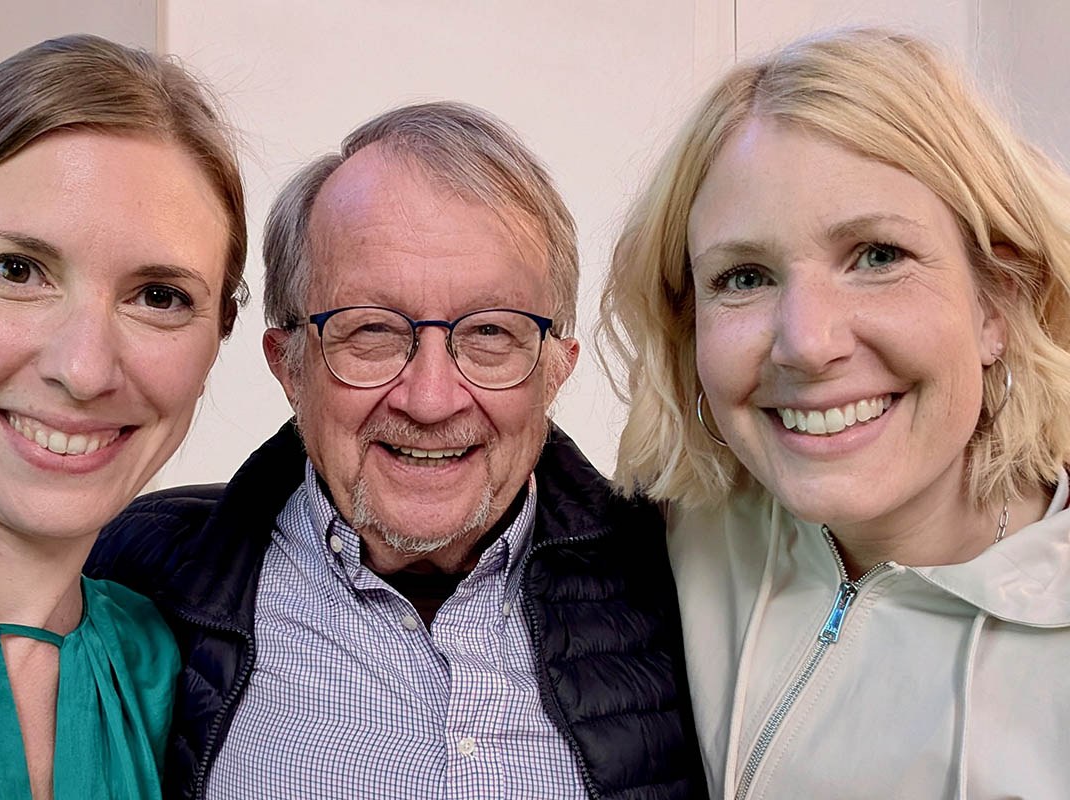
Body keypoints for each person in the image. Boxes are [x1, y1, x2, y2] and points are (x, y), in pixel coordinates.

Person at [87, 101, 706, 800]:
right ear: (289, 366)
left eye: (491, 333)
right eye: (372, 331)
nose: (430, 399)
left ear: (556, 369)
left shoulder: (680, 579)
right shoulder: (138, 573)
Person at [600, 26, 1070, 800]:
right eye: (744, 276)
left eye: (878, 256)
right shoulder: (660, 544)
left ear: (997, 302)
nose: (808, 344)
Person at [0, 34, 248, 800]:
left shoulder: (170, 672)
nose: (83, 370)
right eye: (18, 270)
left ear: (216, 343)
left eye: (159, 297)